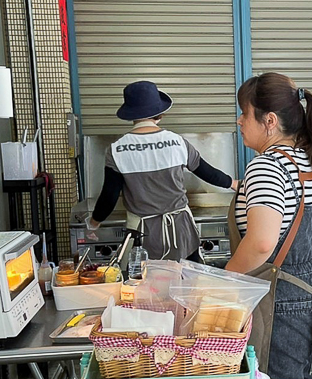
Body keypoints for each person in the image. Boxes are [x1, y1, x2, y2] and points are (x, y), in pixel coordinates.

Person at [226, 73, 312, 379]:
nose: (239, 121)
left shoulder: (266, 165)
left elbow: (262, 243)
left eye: (245, 114)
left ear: (269, 121)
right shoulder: (306, 159)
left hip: (281, 304)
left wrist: (224, 282)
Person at [87, 81, 236, 262]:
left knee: (146, 286)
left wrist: (94, 223)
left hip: (143, 234)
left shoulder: (117, 150)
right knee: (189, 283)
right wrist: (233, 183)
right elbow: (207, 172)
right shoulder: (177, 142)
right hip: (181, 231)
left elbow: (109, 196)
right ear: (160, 113)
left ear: (130, 114)